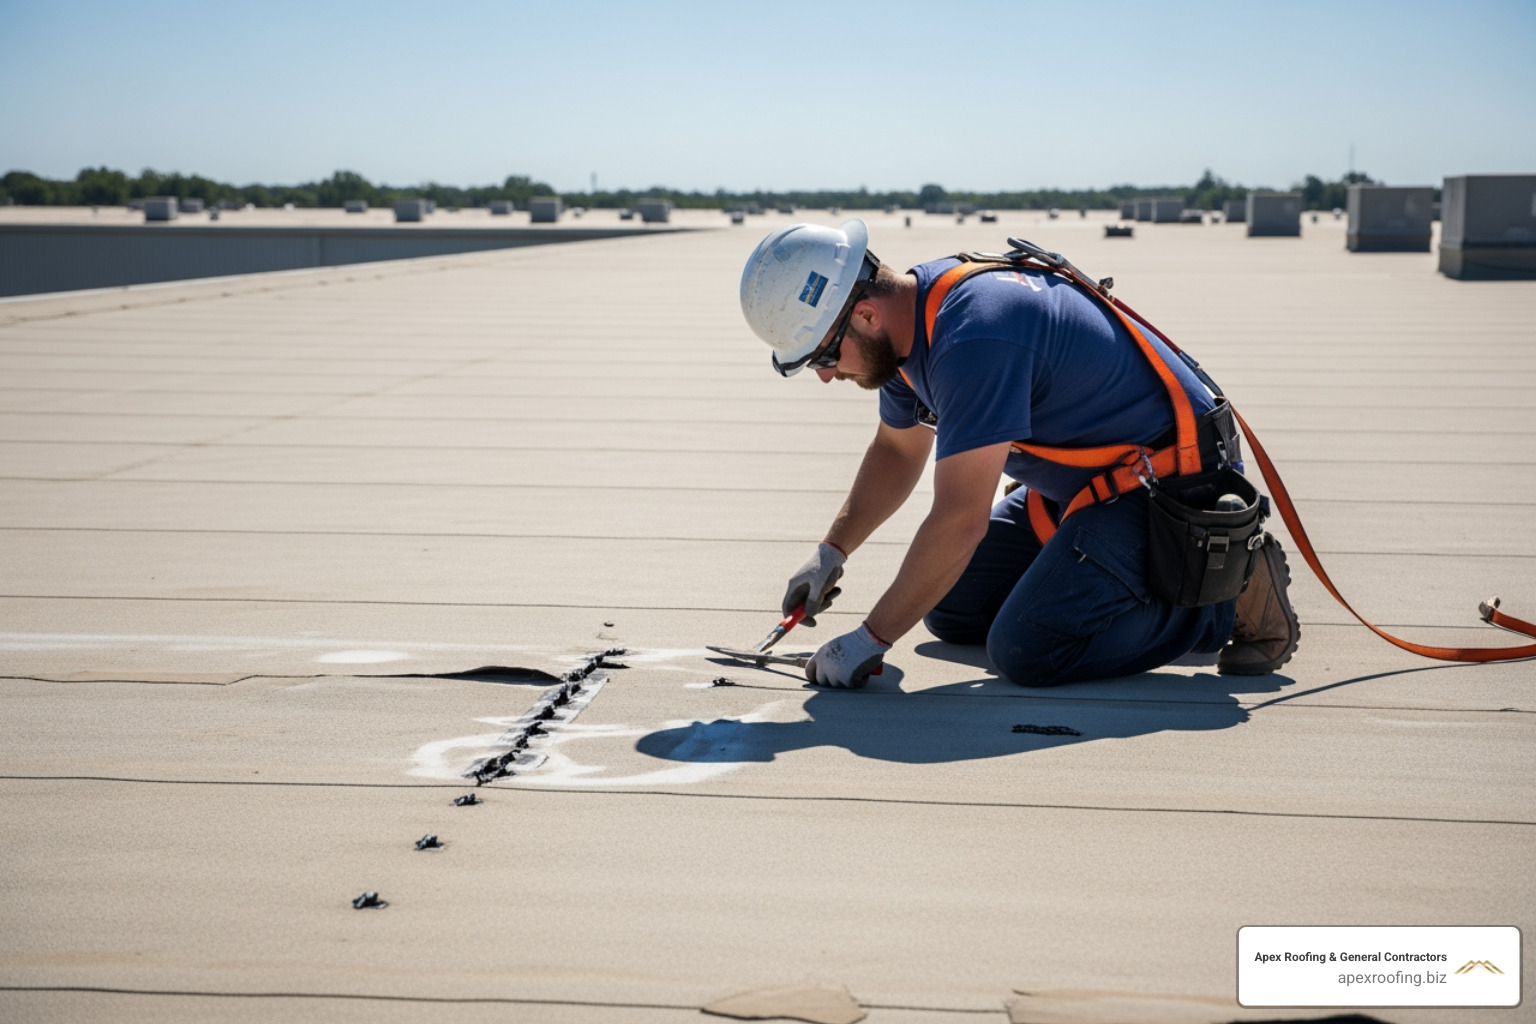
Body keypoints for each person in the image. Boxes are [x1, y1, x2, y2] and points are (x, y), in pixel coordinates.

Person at [738, 218, 1300, 689]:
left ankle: (1221, 600)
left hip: (1167, 490)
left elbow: (959, 521)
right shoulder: (908, 326)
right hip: (1088, 487)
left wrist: (871, 639)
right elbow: (896, 449)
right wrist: (832, 550)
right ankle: (1099, 578)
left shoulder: (976, 336)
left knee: (1029, 650)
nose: (827, 376)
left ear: (865, 315)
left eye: (824, 356)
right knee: (954, 609)